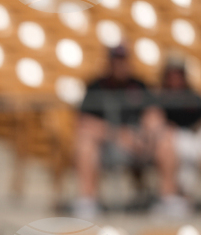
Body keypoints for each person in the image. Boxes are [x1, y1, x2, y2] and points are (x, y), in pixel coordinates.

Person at [73, 45, 180, 218]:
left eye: (123, 61)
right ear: (109, 63)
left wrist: (146, 133)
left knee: (166, 136)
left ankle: (168, 198)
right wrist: (118, 135)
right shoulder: (96, 87)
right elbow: (84, 123)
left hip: (140, 143)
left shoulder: (139, 85)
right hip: (108, 145)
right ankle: (88, 200)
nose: (120, 65)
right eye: (116, 61)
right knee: (84, 143)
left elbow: (154, 114)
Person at [153, 59, 201, 201]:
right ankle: (172, 197)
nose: (175, 78)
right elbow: (155, 121)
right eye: (172, 74)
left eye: (178, 74)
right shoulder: (159, 98)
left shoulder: (193, 97)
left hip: (193, 136)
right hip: (171, 137)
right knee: (169, 145)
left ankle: (187, 197)